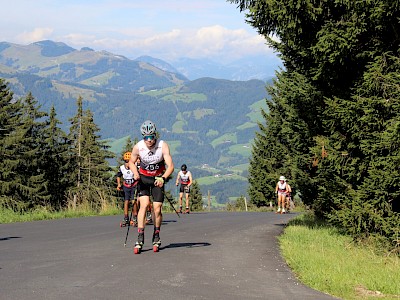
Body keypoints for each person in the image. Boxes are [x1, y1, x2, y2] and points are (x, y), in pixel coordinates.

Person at [128, 120, 174, 253]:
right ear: (143, 137)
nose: (149, 140)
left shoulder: (162, 146)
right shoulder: (138, 147)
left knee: (157, 208)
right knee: (144, 204)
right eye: (146, 137)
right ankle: (140, 236)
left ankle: (156, 235)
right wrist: (135, 173)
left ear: (155, 135)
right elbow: (131, 162)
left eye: (151, 137)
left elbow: (170, 166)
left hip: (157, 180)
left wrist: (163, 178)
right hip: (143, 179)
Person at [116, 152, 139, 226]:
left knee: (133, 201)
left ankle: (135, 217)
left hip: (134, 185)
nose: (127, 163)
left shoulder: (135, 166)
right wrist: (119, 184)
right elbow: (118, 176)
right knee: (126, 201)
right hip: (126, 186)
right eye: (126, 161)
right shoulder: (122, 168)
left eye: (129, 161)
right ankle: (126, 217)